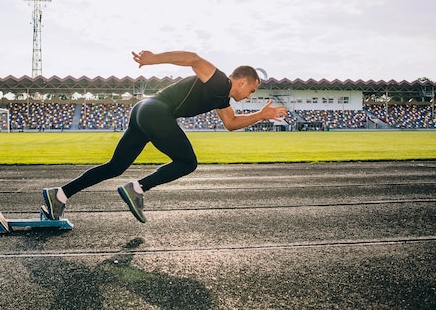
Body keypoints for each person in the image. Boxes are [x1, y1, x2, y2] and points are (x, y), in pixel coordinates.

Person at [42, 50, 288, 223]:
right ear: (243, 80)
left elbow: (231, 123)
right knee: (188, 162)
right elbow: (193, 58)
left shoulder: (221, 96)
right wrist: (152, 59)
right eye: (252, 90)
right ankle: (137, 189)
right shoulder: (221, 81)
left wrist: (261, 115)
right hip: (156, 111)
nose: (249, 96)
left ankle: (59, 195)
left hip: (144, 110)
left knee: (115, 166)